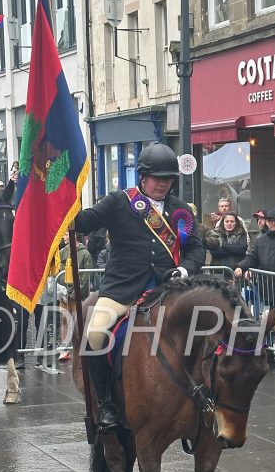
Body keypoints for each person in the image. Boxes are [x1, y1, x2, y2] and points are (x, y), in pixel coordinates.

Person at [73, 142, 205, 429]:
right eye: (158, 178)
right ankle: (106, 402)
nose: (163, 184)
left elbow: (196, 248)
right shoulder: (119, 201)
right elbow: (84, 221)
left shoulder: (181, 210)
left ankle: (204, 396)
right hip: (123, 288)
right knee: (95, 334)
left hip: (169, 287)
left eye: (168, 179)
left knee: (206, 330)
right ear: (142, 177)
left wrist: (184, 268)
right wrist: (65, 203)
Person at [57, 231, 93, 362]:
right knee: (64, 320)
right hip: (64, 294)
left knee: (79, 322)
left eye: (66, 234)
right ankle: (64, 349)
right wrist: (62, 290)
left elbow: (86, 277)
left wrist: (73, 293)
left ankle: (80, 348)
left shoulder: (85, 254)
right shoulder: (63, 252)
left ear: (74, 236)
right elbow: (59, 271)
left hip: (77, 295)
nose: (63, 237)